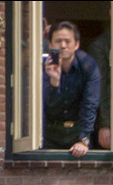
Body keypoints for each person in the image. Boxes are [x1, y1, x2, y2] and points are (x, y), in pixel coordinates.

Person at [42, 21, 101, 158]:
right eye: (58, 41)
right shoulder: (44, 67)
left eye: (67, 41)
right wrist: (54, 82)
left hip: (78, 133)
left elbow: (90, 105)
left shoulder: (88, 66)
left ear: (76, 44)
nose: (63, 45)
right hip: (49, 134)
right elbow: (44, 107)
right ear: (50, 45)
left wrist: (84, 141)